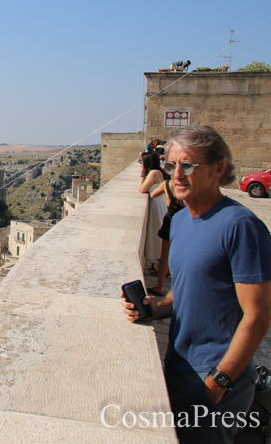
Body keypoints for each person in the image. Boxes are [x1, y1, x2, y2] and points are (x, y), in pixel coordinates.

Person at [122, 125, 271, 444]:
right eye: (171, 165)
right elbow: (189, 287)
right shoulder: (180, 222)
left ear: (219, 170)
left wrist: (220, 380)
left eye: (188, 165)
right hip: (180, 367)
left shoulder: (240, 227)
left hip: (216, 376)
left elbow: (258, 316)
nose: (177, 175)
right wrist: (157, 307)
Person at [139, 150, 169, 267]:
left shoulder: (153, 173)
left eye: (142, 161)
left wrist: (142, 173)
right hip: (158, 204)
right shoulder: (156, 171)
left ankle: (163, 267)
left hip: (157, 206)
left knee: (157, 236)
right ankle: (160, 267)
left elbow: (141, 189)